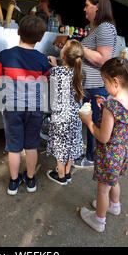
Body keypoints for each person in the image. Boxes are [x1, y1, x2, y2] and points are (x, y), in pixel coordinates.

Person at [78, 57, 128, 233]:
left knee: (102, 189)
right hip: (121, 151)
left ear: (115, 81)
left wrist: (88, 121)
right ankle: (115, 205)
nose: (104, 85)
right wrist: (104, 104)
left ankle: (98, 219)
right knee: (114, 180)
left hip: (108, 154)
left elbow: (103, 137)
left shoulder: (111, 106)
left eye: (104, 81)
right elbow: (122, 120)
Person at [0, 15, 50, 195]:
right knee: (32, 145)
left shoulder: (5, 55)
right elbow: (45, 83)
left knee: (14, 146)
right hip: (35, 108)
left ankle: (13, 182)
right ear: (40, 38)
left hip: (12, 108)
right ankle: (31, 180)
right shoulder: (42, 59)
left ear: (18, 32)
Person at [74, 0, 117, 168]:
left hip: (98, 86)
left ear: (97, 6)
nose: (84, 9)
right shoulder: (95, 28)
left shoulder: (105, 27)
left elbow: (103, 59)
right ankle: (92, 155)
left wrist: (78, 47)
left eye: (87, 5)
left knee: (96, 125)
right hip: (90, 86)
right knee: (91, 122)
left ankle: (93, 159)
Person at [45, 40, 85, 185]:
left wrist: (54, 65)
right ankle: (67, 173)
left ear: (63, 55)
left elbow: (54, 81)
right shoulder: (79, 72)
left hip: (61, 118)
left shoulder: (56, 71)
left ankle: (61, 176)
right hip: (75, 117)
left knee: (61, 146)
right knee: (71, 145)